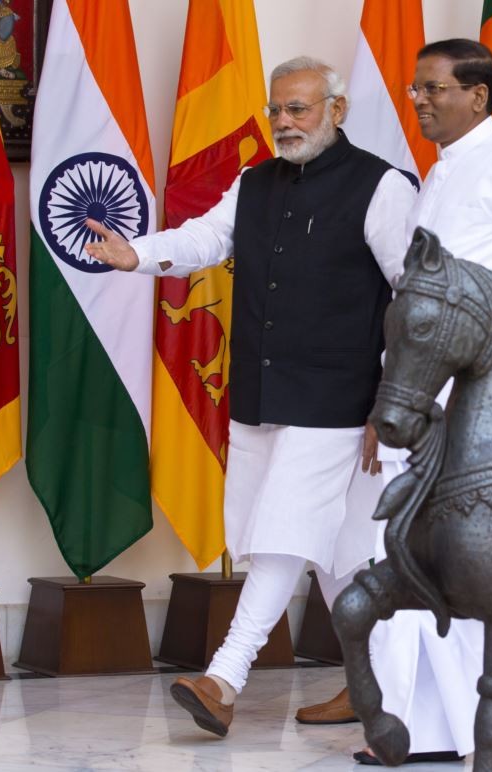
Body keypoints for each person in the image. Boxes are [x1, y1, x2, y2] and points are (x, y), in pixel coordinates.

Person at [295, 39, 492, 763]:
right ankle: (428, 725)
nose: (419, 101)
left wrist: (471, 389)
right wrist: (391, 396)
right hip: (420, 394)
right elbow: (418, 305)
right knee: (414, 554)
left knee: (463, 557)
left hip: (480, 401)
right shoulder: (433, 176)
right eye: (414, 90)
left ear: (479, 95)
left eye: (433, 89)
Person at [84, 56, 417, 738]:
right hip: (263, 391)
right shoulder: (254, 182)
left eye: (299, 109)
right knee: (344, 550)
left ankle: (223, 679)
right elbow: (208, 236)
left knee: (282, 535)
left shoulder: (381, 186)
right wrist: (136, 254)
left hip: (340, 399)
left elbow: (415, 296)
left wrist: (395, 398)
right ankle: (373, 688)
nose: (285, 123)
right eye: (277, 111)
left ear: (336, 110)